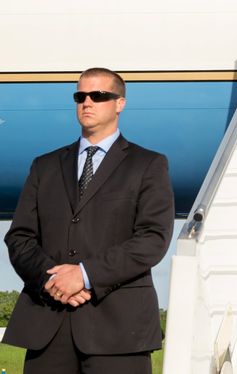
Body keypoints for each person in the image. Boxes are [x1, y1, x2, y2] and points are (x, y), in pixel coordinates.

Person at [3, 68, 174, 374]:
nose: (87, 102)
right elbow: (19, 238)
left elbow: (152, 239)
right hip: (48, 325)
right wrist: (50, 279)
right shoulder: (45, 166)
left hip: (118, 331)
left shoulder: (148, 164)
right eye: (80, 96)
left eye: (98, 96)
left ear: (119, 103)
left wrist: (84, 275)